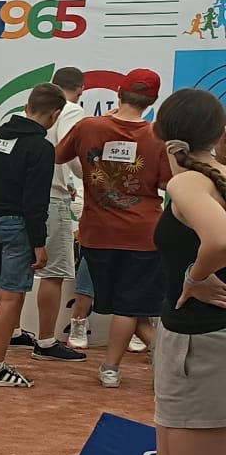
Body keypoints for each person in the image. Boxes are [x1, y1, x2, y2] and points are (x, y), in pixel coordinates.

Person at [75, 88, 226, 455]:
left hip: (200, 348)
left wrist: (195, 278)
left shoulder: (189, 182)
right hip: (193, 345)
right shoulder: (215, 177)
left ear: (162, 135)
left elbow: (219, 239)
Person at [57, 69, 174, 388]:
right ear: (152, 101)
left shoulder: (88, 126)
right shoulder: (158, 136)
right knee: (130, 306)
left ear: (119, 93)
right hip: (143, 233)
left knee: (119, 304)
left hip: (98, 232)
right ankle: (116, 366)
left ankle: (150, 359)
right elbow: (167, 183)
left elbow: (59, 155)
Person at [0, 84, 62, 389]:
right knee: (11, 296)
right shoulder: (41, 148)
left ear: (26, 106)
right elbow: (35, 200)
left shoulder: (0, 140)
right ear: (55, 115)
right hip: (18, 226)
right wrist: (39, 242)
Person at [24, 66, 90, 361]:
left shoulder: (29, 108)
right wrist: (83, 175)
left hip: (24, 195)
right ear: (81, 89)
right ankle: (46, 340)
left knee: (20, 267)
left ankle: (15, 330)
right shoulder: (71, 110)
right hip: (51, 195)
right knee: (53, 271)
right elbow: (69, 150)